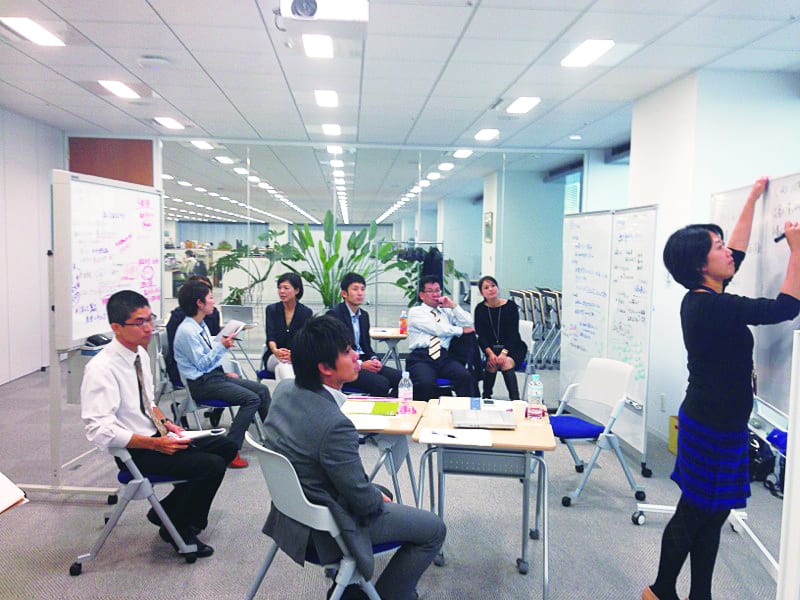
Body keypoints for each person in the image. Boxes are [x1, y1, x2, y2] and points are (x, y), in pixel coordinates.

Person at [644, 177, 800, 600]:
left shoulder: (708, 295)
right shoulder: (710, 305)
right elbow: (786, 308)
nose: (727, 251)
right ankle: (659, 590)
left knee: (713, 514)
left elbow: (740, 249)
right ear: (700, 265)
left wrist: (752, 198)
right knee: (695, 511)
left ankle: (700, 594)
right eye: (717, 247)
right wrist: (797, 249)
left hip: (721, 422)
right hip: (710, 424)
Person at [261, 316, 446, 600]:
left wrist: (372, 493)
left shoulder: (284, 389)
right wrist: (372, 496)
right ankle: (387, 595)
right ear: (325, 368)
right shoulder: (335, 426)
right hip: (324, 529)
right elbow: (363, 502)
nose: (356, 356)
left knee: (380, 491)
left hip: (291, 514)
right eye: (347, 352)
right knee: (433, 528)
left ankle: (350, 589)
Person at [81, 290, 237, 558]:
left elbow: (147, 402)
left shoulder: (140, 355)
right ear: (116, 327)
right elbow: (99, 430)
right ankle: (177, 527)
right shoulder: (101, 368)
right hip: (136, 450)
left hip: (157, 436)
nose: (148, 328)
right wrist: (154, 444)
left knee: (225, 446)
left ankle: (168, 512)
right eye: (139, 322)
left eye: (149, 319)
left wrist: (166, 423)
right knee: (210, 465)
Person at [173, 280, 271, 469]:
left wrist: (224, 372)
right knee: (251, 399)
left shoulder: (200, 325)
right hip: (201, 384)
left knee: (262, 390)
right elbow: (202, 364)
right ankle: (230, 451)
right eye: (210, 298)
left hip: (214, 377)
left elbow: (208, 358)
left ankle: (273, 438)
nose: (213, 301)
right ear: (199, 303)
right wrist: (222, 346)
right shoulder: (187, 331)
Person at [328, 272, 402, 397]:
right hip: (346, 366)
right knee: (381, 383)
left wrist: (374, 359)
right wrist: (361, 364)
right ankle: (375, 409)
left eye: (362, 289)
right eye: (355, 289)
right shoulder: (334, 315)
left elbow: (366, 346)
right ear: (344, 294)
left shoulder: (364, 316)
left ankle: (392, 407)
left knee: (401, 378)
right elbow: (336, 351)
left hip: (364, 361)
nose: (360, 293)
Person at [406, 275, 477, 400]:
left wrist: (453, 306)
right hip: (421, 356)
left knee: (465, 377)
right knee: (425, 383)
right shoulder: (415, 312)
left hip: (444, 357)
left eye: (437, 290)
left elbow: (468, 322)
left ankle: (466, 410)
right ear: (422, 295)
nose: (435, 294)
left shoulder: (446, 311)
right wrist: (460, 331)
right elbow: (437, 329)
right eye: (430, 291)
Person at [473, 275, 527, 400]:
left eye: (493, 286)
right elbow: (481, 336)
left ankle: (515, 400)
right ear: (482, 293)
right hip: (491, 349)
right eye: (486, 288)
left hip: (513, 347)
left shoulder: (510, 306)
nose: (491, 289)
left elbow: (513, 333)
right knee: (491, 364)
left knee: (505, 362)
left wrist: (504, 353)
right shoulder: (480, 309)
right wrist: (490, 354)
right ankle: (486, 397)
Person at [164, 276, 221, 388]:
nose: (213, 301)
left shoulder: (210, 316)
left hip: (209, 369)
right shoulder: (181, 320)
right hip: (193, 373)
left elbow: (214, 341)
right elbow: (197, 360)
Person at [263, 272, 313, 381]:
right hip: (273, 356)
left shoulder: (306, 312)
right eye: (279, 288)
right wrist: (276, 351)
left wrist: (294, 355)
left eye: (286, 288)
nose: (281, 291)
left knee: (282, 367)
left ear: (297, 290)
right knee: (284, 364)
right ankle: (293, 391)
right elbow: (270, 336)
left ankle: (286, 391)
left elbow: (305, 341)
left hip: (297, 357)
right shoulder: (271, 310)